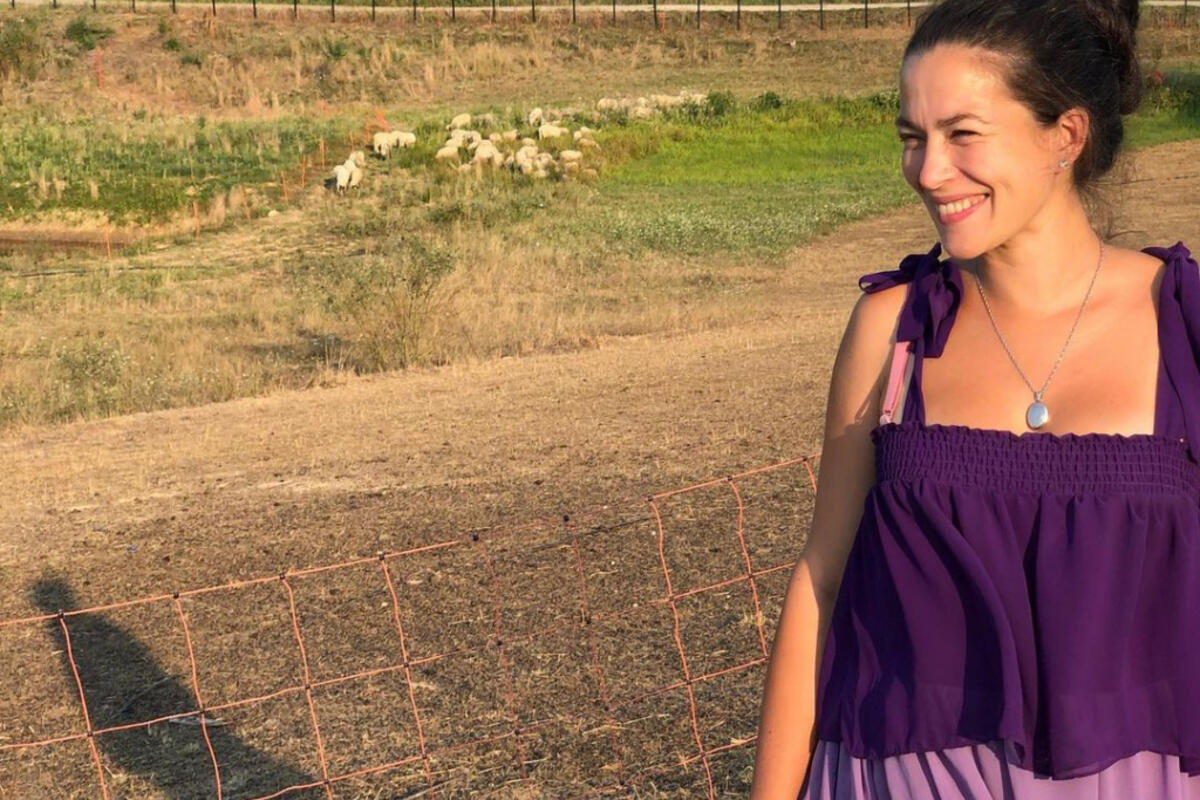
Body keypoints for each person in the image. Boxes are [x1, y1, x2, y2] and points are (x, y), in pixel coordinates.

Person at [749, 0, 1200, 797]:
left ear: (1066, 136)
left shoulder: (1185, 324)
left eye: (962, 134)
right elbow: (822, 578)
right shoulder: (891, 330)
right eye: (912, 137)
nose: (927, 172)